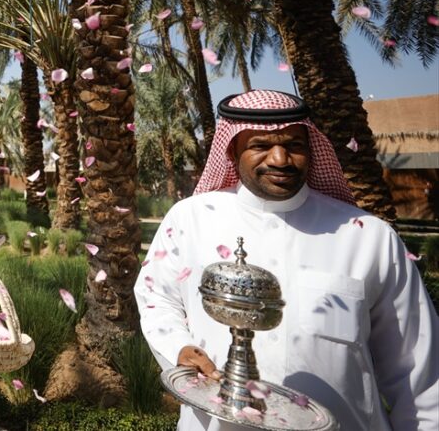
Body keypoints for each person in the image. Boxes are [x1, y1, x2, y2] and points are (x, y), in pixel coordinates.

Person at [135, 90, 439, 431]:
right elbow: (156, 296)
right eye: (261, 146)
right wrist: (178, 348)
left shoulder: (368, 237)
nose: (280, 158)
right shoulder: (190, 219)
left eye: (294, 145)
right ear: (233, 150)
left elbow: (418, 370)